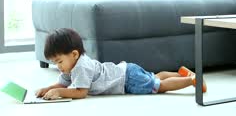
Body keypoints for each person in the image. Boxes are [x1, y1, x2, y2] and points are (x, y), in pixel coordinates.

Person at [36, 28, 207, 100]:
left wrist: (59, 92)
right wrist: (48, 88)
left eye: (59, 61)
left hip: (127, 79)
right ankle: (181, 73)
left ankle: (193, 80)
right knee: (153, 77)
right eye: (54, 62)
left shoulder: (81, 66)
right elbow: (63, 82)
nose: (58, 66)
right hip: (126, 71)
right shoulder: (71, 65)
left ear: (74, 54)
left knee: (158, 86)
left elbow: (81, 92)